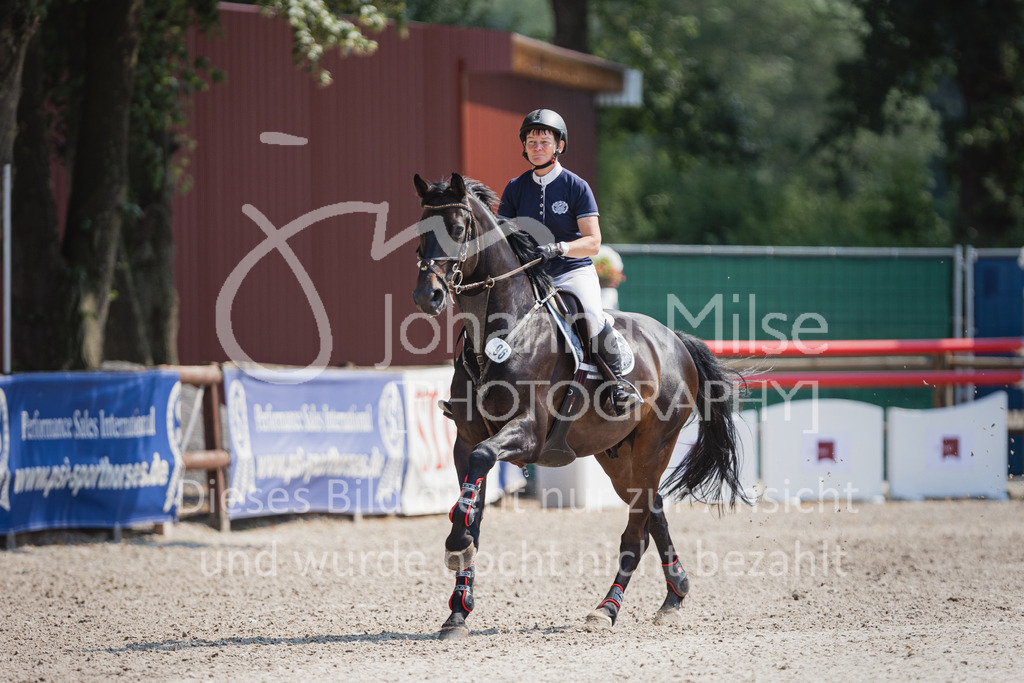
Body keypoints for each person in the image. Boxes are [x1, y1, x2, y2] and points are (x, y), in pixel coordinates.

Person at [497, 108, 641, 415]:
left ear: (559, 146)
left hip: (570, 272)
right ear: (524, 146)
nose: (537, 147)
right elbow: (504, 235)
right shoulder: (514, 187)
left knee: (590, 315)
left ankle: (618, 383)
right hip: (531, 277)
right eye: (531, 142)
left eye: (544, 141)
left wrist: (559, 248)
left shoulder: (577, 187)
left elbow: (593, 242)